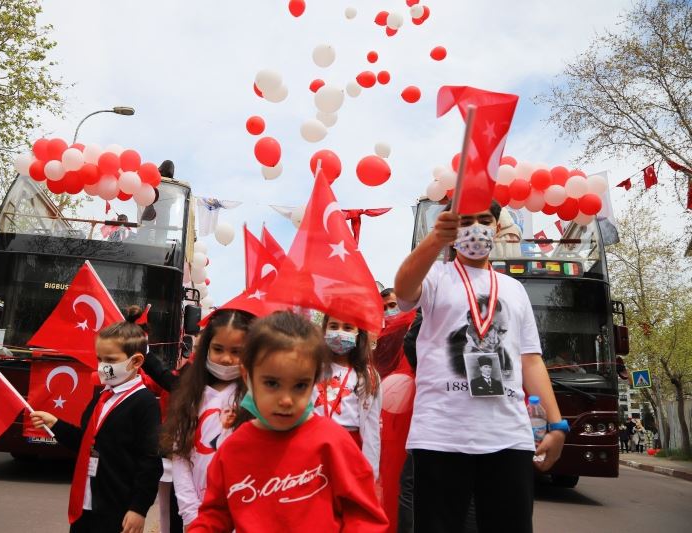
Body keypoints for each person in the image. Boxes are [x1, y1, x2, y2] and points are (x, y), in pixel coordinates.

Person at [394, 200, 566, 533]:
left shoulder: (515, 290)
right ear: (452, 228)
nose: (476, 229)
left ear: (497, 226)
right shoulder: (435, 276)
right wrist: (434, 240)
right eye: (465, 221)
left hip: (509, 436)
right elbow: (402, 290)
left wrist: (557, 424)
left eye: (484, 220)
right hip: (441, 435)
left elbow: (530, 358)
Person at [188, 311, 388, 532]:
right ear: (247, 376)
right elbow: (214, 516)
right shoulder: (233, 450)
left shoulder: (333, 443)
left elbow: (364, 517)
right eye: (272, 383)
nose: (285, 400)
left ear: (315, 380)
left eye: (300, 385)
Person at [31, 307, 161, 533]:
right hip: (86, 503)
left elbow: (150, 461)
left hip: (117, 509)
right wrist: (56, 425)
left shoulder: (145, 403)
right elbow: (88, 442)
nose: (102, 366)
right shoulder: (101, 396)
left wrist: (139, 508)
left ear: (136, 361)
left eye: (110, 359)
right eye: (100, 358)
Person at [160, 309, 254, 529]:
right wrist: (191, 513)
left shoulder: (256, 399)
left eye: (236, 351)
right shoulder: (191, 396)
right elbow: (181, 457)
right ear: (206, 349)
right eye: (218, 349)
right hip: (197, 516)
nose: (226, 358)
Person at [314, 315, 382, 480]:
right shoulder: (312, 367)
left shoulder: (368, 376)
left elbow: (372, 429)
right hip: (313, 445)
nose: (339, 333)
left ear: (359, 334)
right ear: (324, 330)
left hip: (349, 449)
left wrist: (370, 473)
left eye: (348, 328)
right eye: (334, 326)